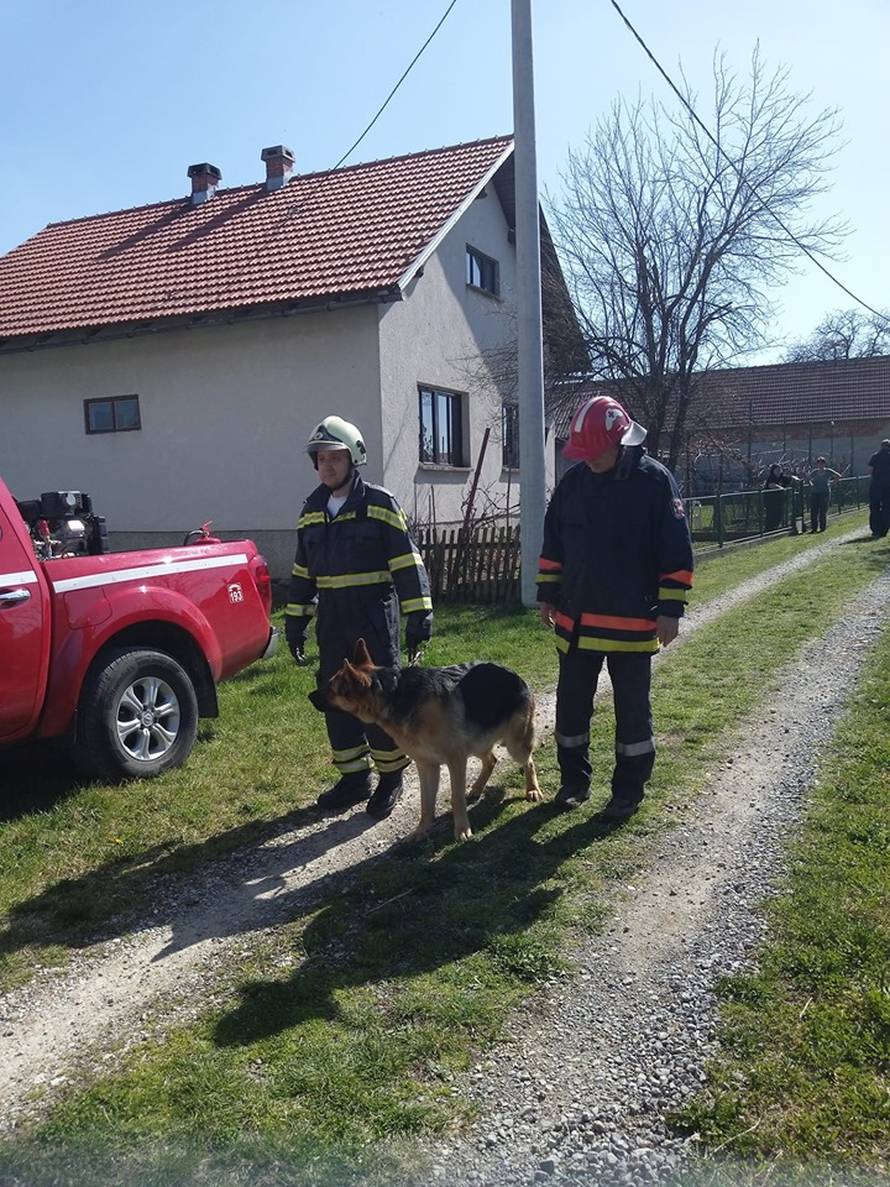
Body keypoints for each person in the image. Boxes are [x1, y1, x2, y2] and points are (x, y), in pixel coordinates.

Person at [537, 395, 694, 821]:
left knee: (632, 713)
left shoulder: (655, 482)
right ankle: (574, 782)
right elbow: (554, 544)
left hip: (632, 621)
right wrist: (547, 593)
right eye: (582, 453)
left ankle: (628, 791)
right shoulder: (573, 483)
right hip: (576, 621)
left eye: (595, 451)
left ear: (621, 441)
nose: (588, 460)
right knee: (571, 708)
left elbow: (676, 552)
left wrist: (671, 609)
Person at [285, 415, 433, 819]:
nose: (327, 465)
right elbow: (302, 573)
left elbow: (407, 563)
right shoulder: (311, 511)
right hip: (332, 621)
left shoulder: (380, 505)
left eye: (335, 457)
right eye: (320, 459)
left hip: (373, 619)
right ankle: (353, 778)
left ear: (354, 459)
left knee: (379, 700)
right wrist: (295, 622)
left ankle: (390, 777)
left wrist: (419, 614)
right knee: (336, 698)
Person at [807, 456, 841, 533]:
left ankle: (822, 528)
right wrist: (811, 484)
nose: (820, 465)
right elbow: (808, 478)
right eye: (819, 463)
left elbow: (838, 476)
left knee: (823, 511)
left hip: (825, 492)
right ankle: (814, 528)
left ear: (824, 464)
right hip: (815, 493)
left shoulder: (828, 471)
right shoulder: (815, 472)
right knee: (814, 511)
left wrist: (832, 483)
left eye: (822, 463)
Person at [867, 438, 890, 539]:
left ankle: (876, 529)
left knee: (875, 507)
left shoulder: (875, 456)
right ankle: (885, 529)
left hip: (876, 485)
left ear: (881, 446)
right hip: (888, 485)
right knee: (887, 507)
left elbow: (870, 470)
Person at [762, 463, 790, 533]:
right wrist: (781, 488)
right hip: (770, 501)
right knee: (771, 515)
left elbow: (788, 481)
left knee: (778, 514)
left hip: (778, 501)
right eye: (777, 470)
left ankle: (775, 528)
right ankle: (768, 530)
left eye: (779, 470)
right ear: (773, 470)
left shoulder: (781, 477)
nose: (778, 471)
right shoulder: (772, 477)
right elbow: (771, 485)